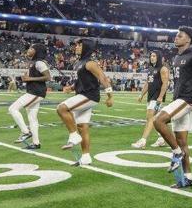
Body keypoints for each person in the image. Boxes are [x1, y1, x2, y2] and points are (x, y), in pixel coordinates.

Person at [153, 27, 192, 188]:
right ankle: (188, 177)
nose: (176, 37)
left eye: (180, 36)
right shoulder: (176, 57)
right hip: (179, 98)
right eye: (176, 35)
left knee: (158, 121)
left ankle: (176, 153)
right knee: (182, 141)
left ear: (188, 40)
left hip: (187, 99)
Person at [58, 38, 114, 166]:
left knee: (62, 108)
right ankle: (86, 157)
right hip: (83, 95)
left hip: (89, 96)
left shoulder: (90, 63)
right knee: (82, 127)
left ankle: (73, 136)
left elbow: (103, 78)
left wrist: (110, 96)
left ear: (86, 47)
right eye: (76, 45)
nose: (76, 47)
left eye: (80, 45)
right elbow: (80, 82)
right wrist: (71, 88)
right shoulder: (78, 63)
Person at [8, 44, 50, 150]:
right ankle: (36, 143)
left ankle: (25, 132)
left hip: (36, 92)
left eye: (32, 48)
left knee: (13, 108)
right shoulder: (34, 62)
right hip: (34, 91)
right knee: (32, 118)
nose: (29, 50)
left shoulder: (39, 62)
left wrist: (30, 79)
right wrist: (28, 78)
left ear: (37, 51)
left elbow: (48, 77)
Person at [132, 50, 169, 149]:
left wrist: (160, 97)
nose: (151, 57)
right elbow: (148, 83)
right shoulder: (151, 68)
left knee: (150, 118)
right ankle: (162, 139)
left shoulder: (163, 68)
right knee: (157, 120)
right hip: (151, 97)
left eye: (154, 56)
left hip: (156, 98)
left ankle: (143, 141)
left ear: (158, 57)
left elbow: (165, 83)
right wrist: (141, 95)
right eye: (151, 56)